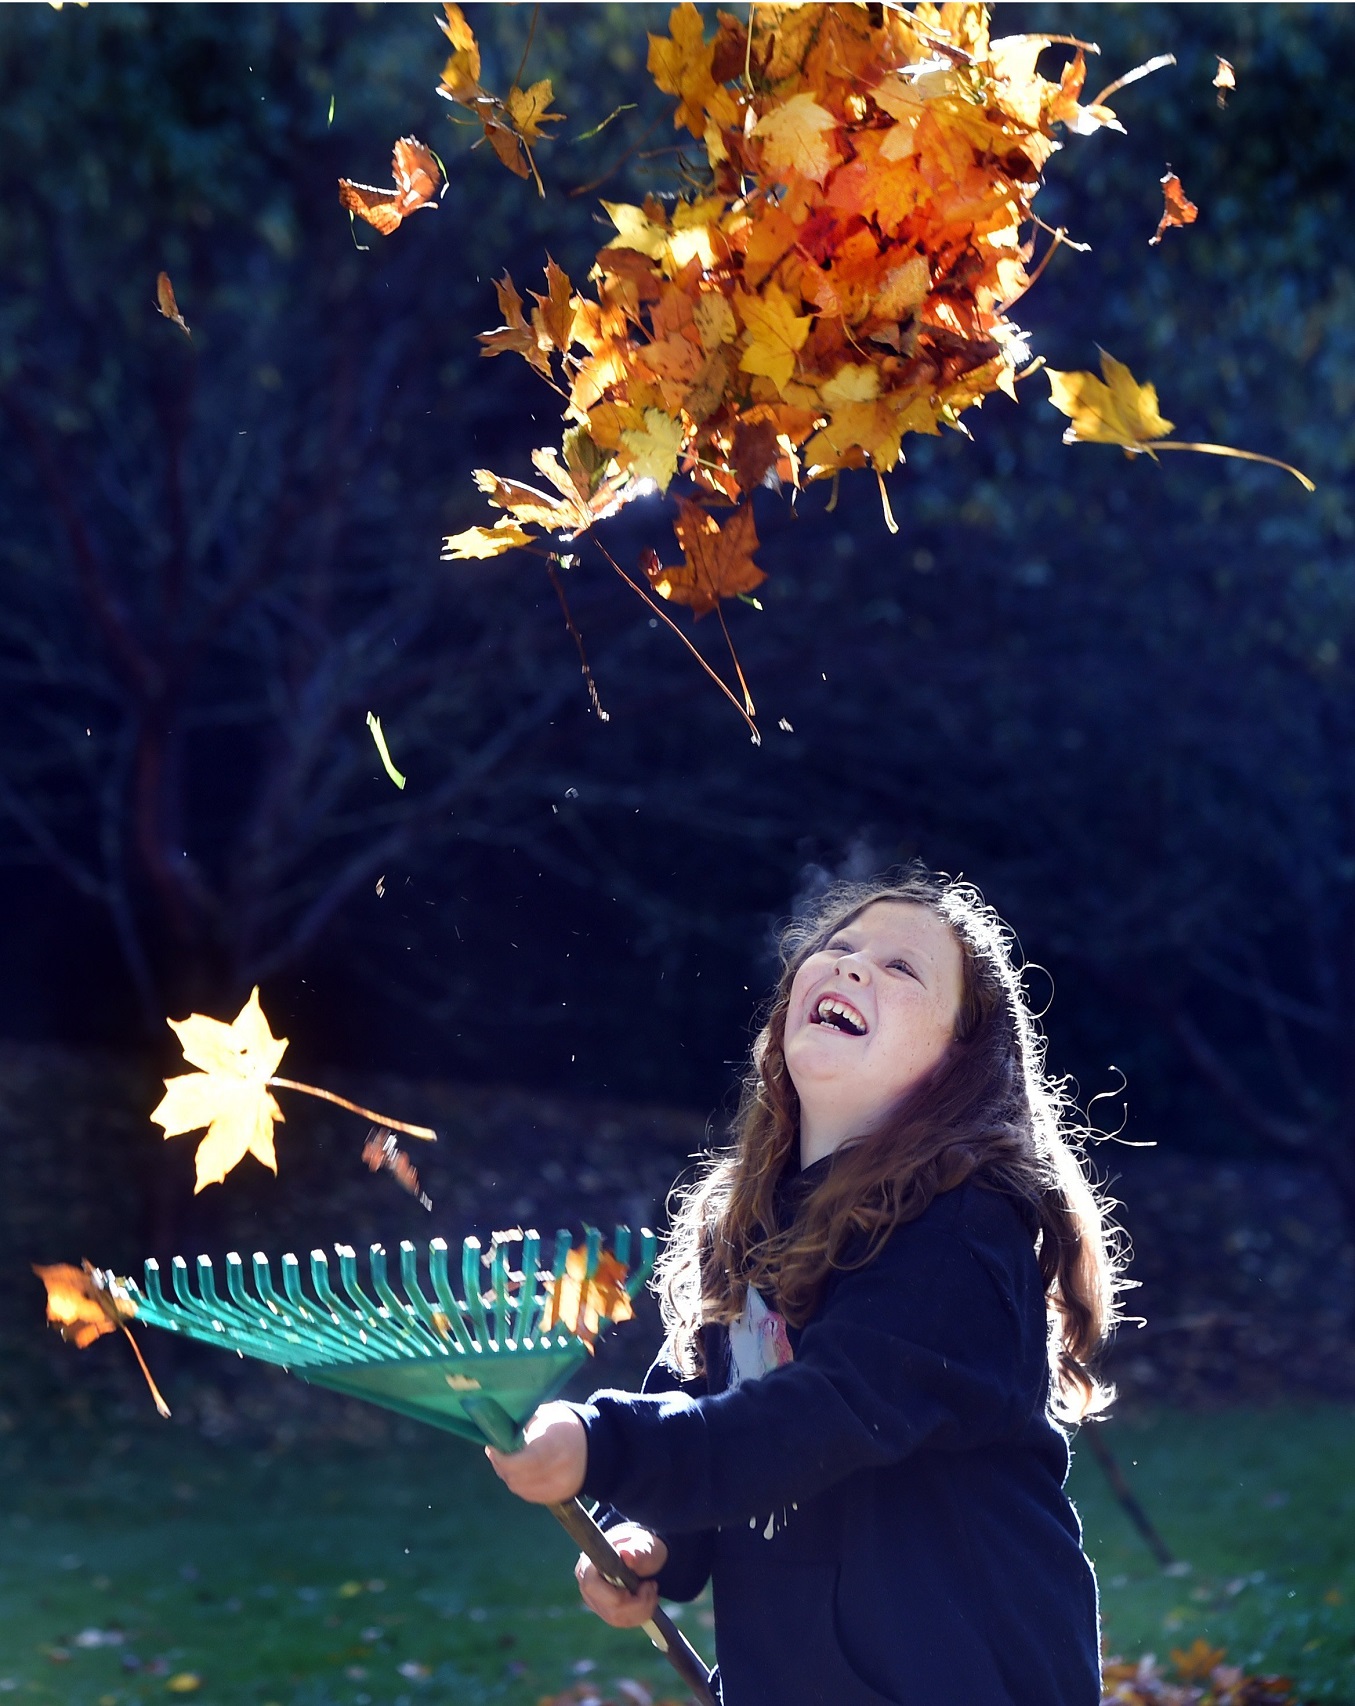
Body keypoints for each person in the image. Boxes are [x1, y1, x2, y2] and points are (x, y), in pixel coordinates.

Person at [486, 868, 1124, 1705]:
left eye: (902, 969)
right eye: (838, 947)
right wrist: (647, 1537)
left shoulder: (961, 1229)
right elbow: (720, 1408)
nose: (851, 966)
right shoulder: (747, 1229)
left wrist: (605, 1444)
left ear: (959, 1060)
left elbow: (812, 1419)